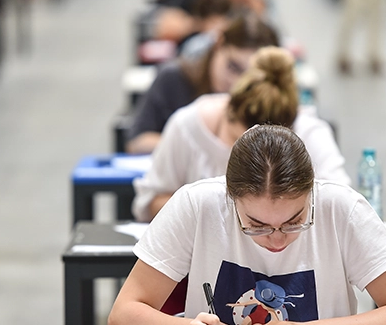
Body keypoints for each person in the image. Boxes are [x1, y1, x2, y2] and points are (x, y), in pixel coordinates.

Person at [108, 124, 386, 325]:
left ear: (311, 193)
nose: (276, 240)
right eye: (256, 225)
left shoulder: (342, 209)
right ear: (230, 198)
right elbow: (124, 314)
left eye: (294, 222)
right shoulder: (196, 205)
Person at [132, 47, 350, 222]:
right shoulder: (187, 125)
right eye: (237, 139)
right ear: (229, 109)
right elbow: (149, 202)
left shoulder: (311, 134)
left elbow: (342, 208)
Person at [126, 14, 279, 154]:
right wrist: (200, 145)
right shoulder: (173, 78)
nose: (236, 82)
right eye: (232, 66)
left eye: (248, 77)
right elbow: (137, 143)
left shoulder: (265, 98)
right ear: (220, 43)